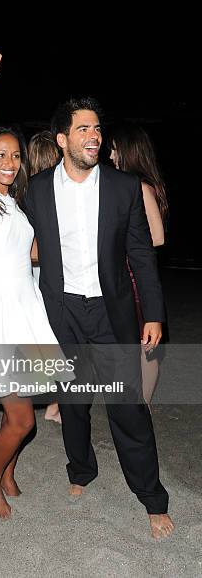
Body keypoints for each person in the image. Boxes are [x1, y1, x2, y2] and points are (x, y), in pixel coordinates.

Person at [0, 96, 174, 539]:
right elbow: (8, 237)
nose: (94, 136)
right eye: (83, 129)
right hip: (59, 312)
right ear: (63, 139)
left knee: (128, 407)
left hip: (111, 312)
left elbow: (141, 255)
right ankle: (80, 470)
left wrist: (154, 314)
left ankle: (151, 498)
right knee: (73, 401)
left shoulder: (124, 187)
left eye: (97, 129)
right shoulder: (38, 189)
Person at [0, 53, 73, 520]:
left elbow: (26, 255)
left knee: (18, 413)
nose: (8, 162)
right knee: (23, 417)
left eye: (14, 155)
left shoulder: (13, 205)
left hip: (26, 309)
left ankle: (4, 471)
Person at [108, 122, 168, 403]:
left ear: (128, 153)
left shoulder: (140, 187)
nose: (110, 156)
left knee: (145, 346)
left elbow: (156, 237)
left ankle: (142, 404)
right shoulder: (133, 185)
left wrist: (118, 245)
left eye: (115, 150)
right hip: (130, 274)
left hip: (134, 277)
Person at [27, 131, 61, 424]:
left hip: (30, 271)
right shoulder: (50, 189)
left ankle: (48, 397)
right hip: (46, 269)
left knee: (39, 332)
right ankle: (54, 402)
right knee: (52, 333)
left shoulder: (23, 189)